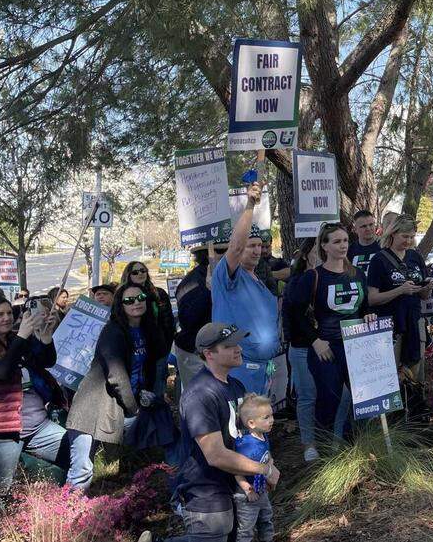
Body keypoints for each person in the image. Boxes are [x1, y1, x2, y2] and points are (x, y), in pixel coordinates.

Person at [142, 323, 280, 542]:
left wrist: (265, 465)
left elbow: (248, 437)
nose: (238, 349)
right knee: (214, 535)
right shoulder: (199, 394)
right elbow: (215, 455)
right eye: (229, 345)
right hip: (205, 488)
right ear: (209, 354)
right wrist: (264, 470)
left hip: (233, 483)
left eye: (237, 343)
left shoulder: (235, 386)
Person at [0, 286, 90, 491]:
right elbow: (0, 374)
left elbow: (46, 361)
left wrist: (46, 337)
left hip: (37, 425)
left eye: (7, 313)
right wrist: (22, 336)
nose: (5, 318)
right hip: (1, 434)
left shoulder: (15, 339)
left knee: (76, 454)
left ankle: (65, 506)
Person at [283, 223, 371, 447]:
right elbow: (296, 312)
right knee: (328, 399)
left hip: (355, 346)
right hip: (327, 348)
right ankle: (322, 451)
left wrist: (369, 315)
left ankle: (352, 447)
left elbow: (363, 307)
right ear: (324, 246)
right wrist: (315, 340)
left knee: (359, 399)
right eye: (336, 241)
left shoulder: (358, 275)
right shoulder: (313, 277)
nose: (343, 246)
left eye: (345, 241)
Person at [67, 283, 169, 453]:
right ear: (120, 305)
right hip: (97, 406)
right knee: (83, 469)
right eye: (129, 300)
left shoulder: (148, 329)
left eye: (141, 298)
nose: (136, 302)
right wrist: (134, 408)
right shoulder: (112, 332)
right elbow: (117, 376)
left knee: (164, 425)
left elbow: (158, 356)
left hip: (126, 403)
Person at [211, 181, 282, 395]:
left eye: (260, 245)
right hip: (239, 369)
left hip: (264, 369)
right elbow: (236, 247)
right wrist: (251, 205)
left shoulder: (259, 280)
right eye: (252, 245)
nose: (257, 250)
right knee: (242, 425)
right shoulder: (229, 277)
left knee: (259, 425)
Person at [368, 216, 433, 381]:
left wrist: (427, 288)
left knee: (415, 373)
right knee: (391, 375)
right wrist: (400, 290)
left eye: (412, 237)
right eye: (405, 236)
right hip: (391, 325)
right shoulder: (379, 259)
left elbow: (424, 296)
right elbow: (372, 298)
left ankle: (414, 404)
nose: (409, 241)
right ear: (393, 234)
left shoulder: (415, 256)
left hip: (414, 320)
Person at [173, 243, 223, 392]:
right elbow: (189, 319)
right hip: (195, 353)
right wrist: (209, 291)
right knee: (200, 399)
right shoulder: (191, 283)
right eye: (221, 251)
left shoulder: (224, 276)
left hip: (216, 350)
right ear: (208, 256)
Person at [121, 259, 175, 395]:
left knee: (156, 389)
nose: (140, 274)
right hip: (134, 350)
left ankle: (157, 414)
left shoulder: (159, 294)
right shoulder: (122, 296)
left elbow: (168, 323)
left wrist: (165, 346)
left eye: (143, 270)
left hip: (157, 351)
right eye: (135, 272)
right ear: (128, 275)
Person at [233, 394, 276, 542]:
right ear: (251, 423)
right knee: (246, 529)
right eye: (266, 417)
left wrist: (270, 462)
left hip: (261, 489)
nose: (272, 420)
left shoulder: (263, 436)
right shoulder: (246, 445)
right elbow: (237, 470)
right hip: (247, 495)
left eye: (271, 415)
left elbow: (266, 453)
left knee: (266, 519)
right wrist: (247, 489)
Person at [348, 210, 382, 276]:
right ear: (355, 229)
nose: (368, 229)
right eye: (363, 226)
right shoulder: (349, 250)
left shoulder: (384, 246)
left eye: (371, 224)